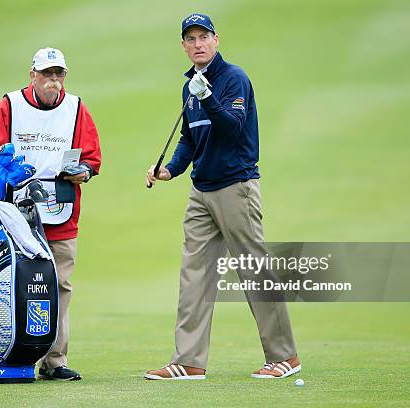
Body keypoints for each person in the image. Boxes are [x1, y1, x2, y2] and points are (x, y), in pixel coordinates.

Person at [144, 13, 300, 380]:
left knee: (254, 271)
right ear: (183, 46)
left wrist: (209, 98)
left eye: (204, 37)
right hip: (201, 190)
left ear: (216, 40)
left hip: (236, 186)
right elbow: (189, 137)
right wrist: (170, 170)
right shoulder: (191, 87)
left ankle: (285, 357)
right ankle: (189, 360)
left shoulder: (233, 79)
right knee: (193, 276)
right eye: (190, 39)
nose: (197, 44)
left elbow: (232, 128)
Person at [0, 47, 102, 381]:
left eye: (58, 74)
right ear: (33, 75)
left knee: (59, 285)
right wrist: (10, 172)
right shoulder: (10, 105)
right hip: (16, 212)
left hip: (61, 207)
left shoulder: (76, 108)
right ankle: (13, 353)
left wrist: (82, 172)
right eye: (47, 74)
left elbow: (92, 158)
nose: (53, 81)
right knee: (14, 282)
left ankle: (55, 360)